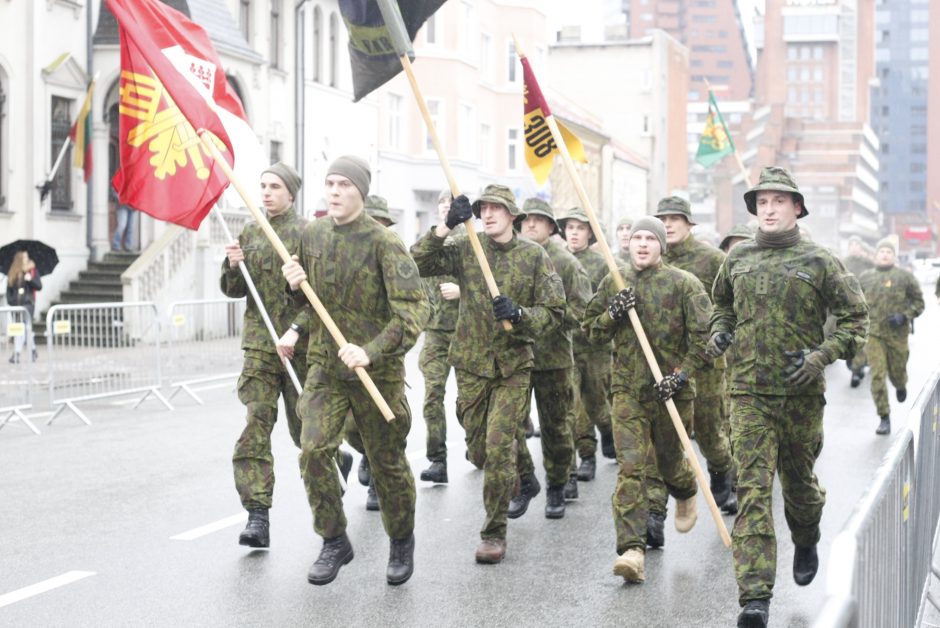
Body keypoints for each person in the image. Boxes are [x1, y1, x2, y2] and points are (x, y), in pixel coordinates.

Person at [709, 166, 868, 628]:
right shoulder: (737, 260)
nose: (770, 209)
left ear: (797, 207)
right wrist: (720, 332)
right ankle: (754, 597)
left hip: (800, 394)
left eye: (779, 201)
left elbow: (856, 320)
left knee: (798, 487)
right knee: (752, 490)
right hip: (747, 392)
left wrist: (821, 356)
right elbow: (722, 305)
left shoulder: (820, 260)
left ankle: (806, 534)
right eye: (762, 202)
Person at [278, 155, 428, 586]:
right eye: (330, 183)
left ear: (360, 190)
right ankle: (333, 539)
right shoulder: (313, 234)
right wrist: (293, 286)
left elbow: (414, 310)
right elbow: (308, 306)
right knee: (313, 450)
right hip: (325, 366)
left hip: (374, 374)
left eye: (344, 184)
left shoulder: (384, 243)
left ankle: (401, 539)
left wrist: (372, 350)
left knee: (386, 462)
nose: (336, 191)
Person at [411, 184, 564, 564]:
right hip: (471, 363)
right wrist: (446, 226)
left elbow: (554, 312)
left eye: (498, 208)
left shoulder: (534, 256)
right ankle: (525, 475)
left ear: (514, 215)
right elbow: (416, 263)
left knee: (498, 447)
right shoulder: (467, 248)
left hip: (513, 365)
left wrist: (520, 315)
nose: (489, 214)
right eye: (484, 209)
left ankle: (493, 533)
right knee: (480, 450)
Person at [221, 163, 350, 549]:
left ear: (291, 193)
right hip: (261, 346)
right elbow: (234, 290)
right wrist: (231, 266)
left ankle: (334, 462)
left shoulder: (311, 234)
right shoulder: (250, 231)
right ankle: (257, 515)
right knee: (255, 425)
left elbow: (323, 296)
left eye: (274, 186)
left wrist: (296, 330)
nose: (266, 193)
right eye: (262, 186)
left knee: (305, 432)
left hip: (301, 349)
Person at [582, 216, 708, 584]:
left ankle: (685, 490)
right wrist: (612, 314)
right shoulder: (615, 282)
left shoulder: (684, 285)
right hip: (627, 391)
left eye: (649, 238)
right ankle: (632, 550)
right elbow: (590, 331)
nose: (641, 243)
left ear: (661, 246)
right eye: (636, 237)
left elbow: (704, 343)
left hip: (672, 393)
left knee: (669, 463)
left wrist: (680, 376)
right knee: (632, 468)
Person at [655, 196, 735, 531]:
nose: (669, 224)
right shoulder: (650, 256)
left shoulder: (711, 259)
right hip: (661, 362)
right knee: (661, 437)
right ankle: (654, 514)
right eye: (664, 219)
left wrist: (724, 335)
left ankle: (722, 472)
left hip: (704, 360)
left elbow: (731, 302)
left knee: (707, 432)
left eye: (676, 218)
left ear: (689, 224)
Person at [509, 198, 591, 519]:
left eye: (538, 220)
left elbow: (582, 310)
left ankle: (557, 485)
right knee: (510, 424)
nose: (531, 225)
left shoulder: (566, 263)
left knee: (557, 427)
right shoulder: (512, 258)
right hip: (514, 356)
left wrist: (542, 318)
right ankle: (523, 479)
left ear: (551, 227)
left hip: (553, 358)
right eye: (526, 220)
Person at [558, 207, 615, 480]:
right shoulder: (555, 260)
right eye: (570, 227)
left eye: (580, 228)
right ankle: (587, 456)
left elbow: (610, 302)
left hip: (595, 347)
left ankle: (608, 428)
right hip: (566, 345)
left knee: (598, 404)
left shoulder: (602, 264)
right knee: (574, 405)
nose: (574, 233)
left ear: (590, 233)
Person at [417, 189, 462, 485]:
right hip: (434, 333)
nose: (446, 208)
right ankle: (437, 459)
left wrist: (464, 292)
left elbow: (495, 283)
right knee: (433, 397)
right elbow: (413, 263)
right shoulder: (429, 243)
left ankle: (479, 446)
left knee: (470, 400)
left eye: (451, 204)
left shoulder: (471, 244)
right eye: (442, 204)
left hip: (466, 331)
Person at [857, 238, 924, 435]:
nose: (885, 254)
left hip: (897, 335)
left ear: (894, 256)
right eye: (881, 251)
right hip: (874, 334)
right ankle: (884, 417)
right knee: (877, 374)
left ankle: (900, 383)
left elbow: (919, 303)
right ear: (875, 255)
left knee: (897, 371)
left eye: (888, 252)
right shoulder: (866, 277)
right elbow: (855, 303)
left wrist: (905, 315)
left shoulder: (905, 277)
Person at [842, 236, 875, 387]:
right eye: (851, 245)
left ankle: (857, 370)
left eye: (857, 245)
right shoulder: (844, 262)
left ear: (861, 248)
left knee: (862, 337)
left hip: (867, 305)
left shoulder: (869, 263)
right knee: (849, 339)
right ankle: (855, 366)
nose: (854, 247)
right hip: (847, 306)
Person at [5, 251, 41, 363]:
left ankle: (17, 354)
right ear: (19, 259)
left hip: (28, 304)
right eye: (25, 257)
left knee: (23, 328)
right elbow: (9, 292)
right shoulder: (13, 273)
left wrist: (30, 279)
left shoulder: (32, 270)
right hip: (16, 305)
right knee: (24, 329)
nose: (27, 259)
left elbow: (39, 286)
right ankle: (33, 350)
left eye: (27, 257)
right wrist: (13, 302)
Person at [110, 185, 138, 252]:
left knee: (131, 228)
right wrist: (120, 199)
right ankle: (116, 245)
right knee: (122, 225)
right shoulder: (121, 176)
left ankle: (128, 246)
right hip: (122, 206)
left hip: (132, 206)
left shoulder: (134, 178)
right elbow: (114, 189)